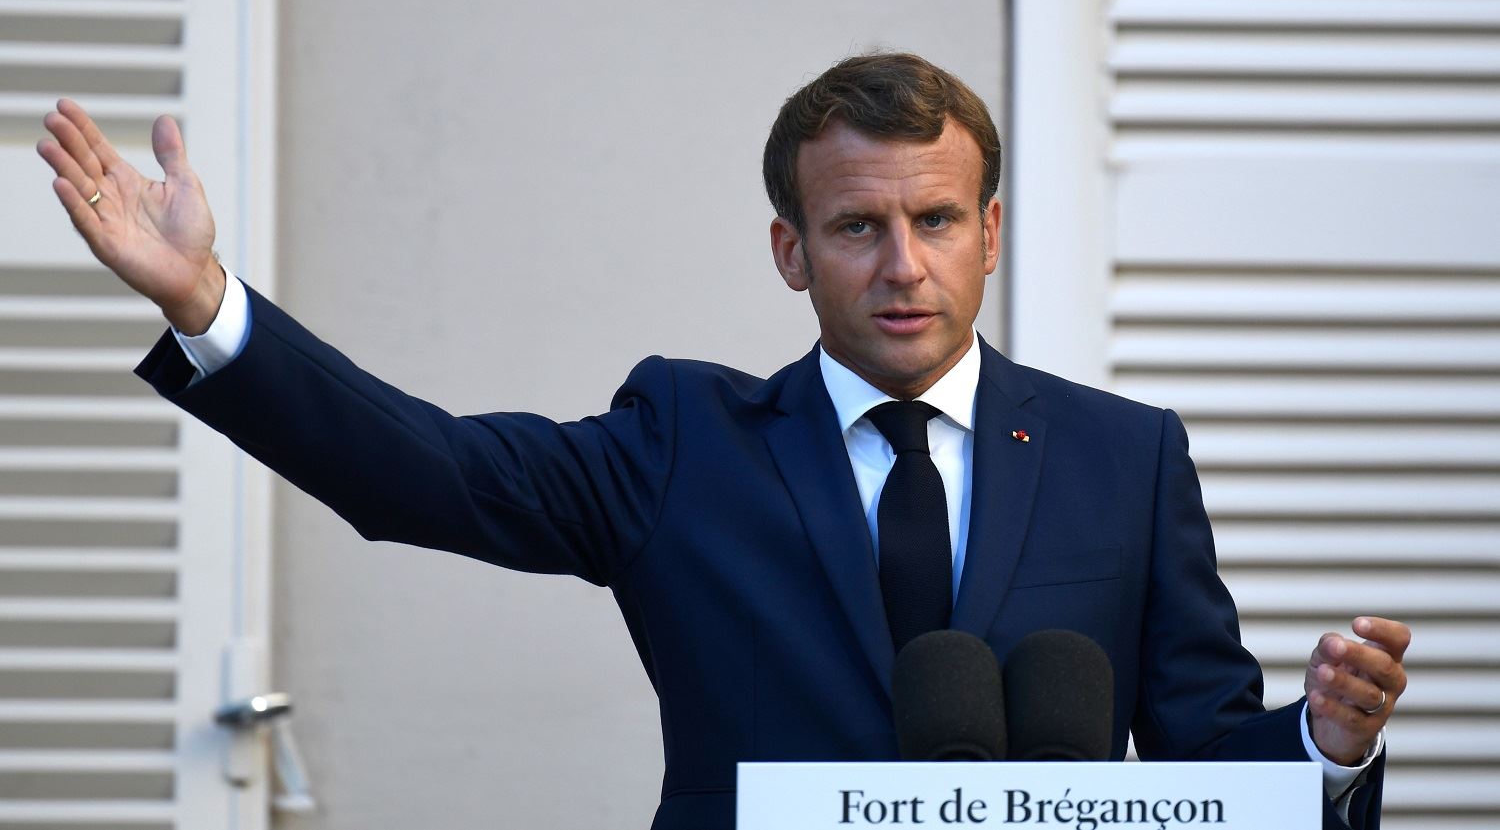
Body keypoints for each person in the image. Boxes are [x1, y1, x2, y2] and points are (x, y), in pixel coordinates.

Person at [38, 53, 1408, 830]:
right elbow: (427, 472)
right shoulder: (685, 444)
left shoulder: (1126, 457)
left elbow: (1209, 767)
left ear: (990, 232)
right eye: (857, 226)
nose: (903, 265)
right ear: (790, 251)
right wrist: (206, 304)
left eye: (936, 220)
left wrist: (1326, 745)